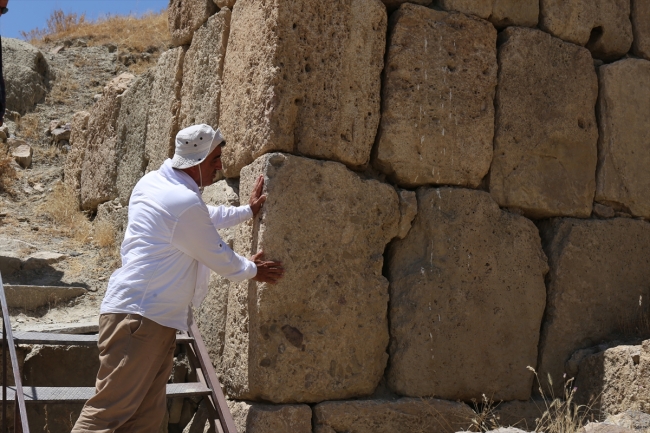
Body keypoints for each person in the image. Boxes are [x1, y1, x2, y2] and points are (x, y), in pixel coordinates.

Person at [71, 124, 284, 432]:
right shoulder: (181, 202)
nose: (220, 167)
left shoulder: (155, 184)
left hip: (150, 320)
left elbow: (200, 217)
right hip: (139, 320)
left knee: (145, 423)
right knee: (106, 417)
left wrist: (245, 212)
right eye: (214, 160)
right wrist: (252, 270)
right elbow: (215, 250)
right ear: (196, 161)